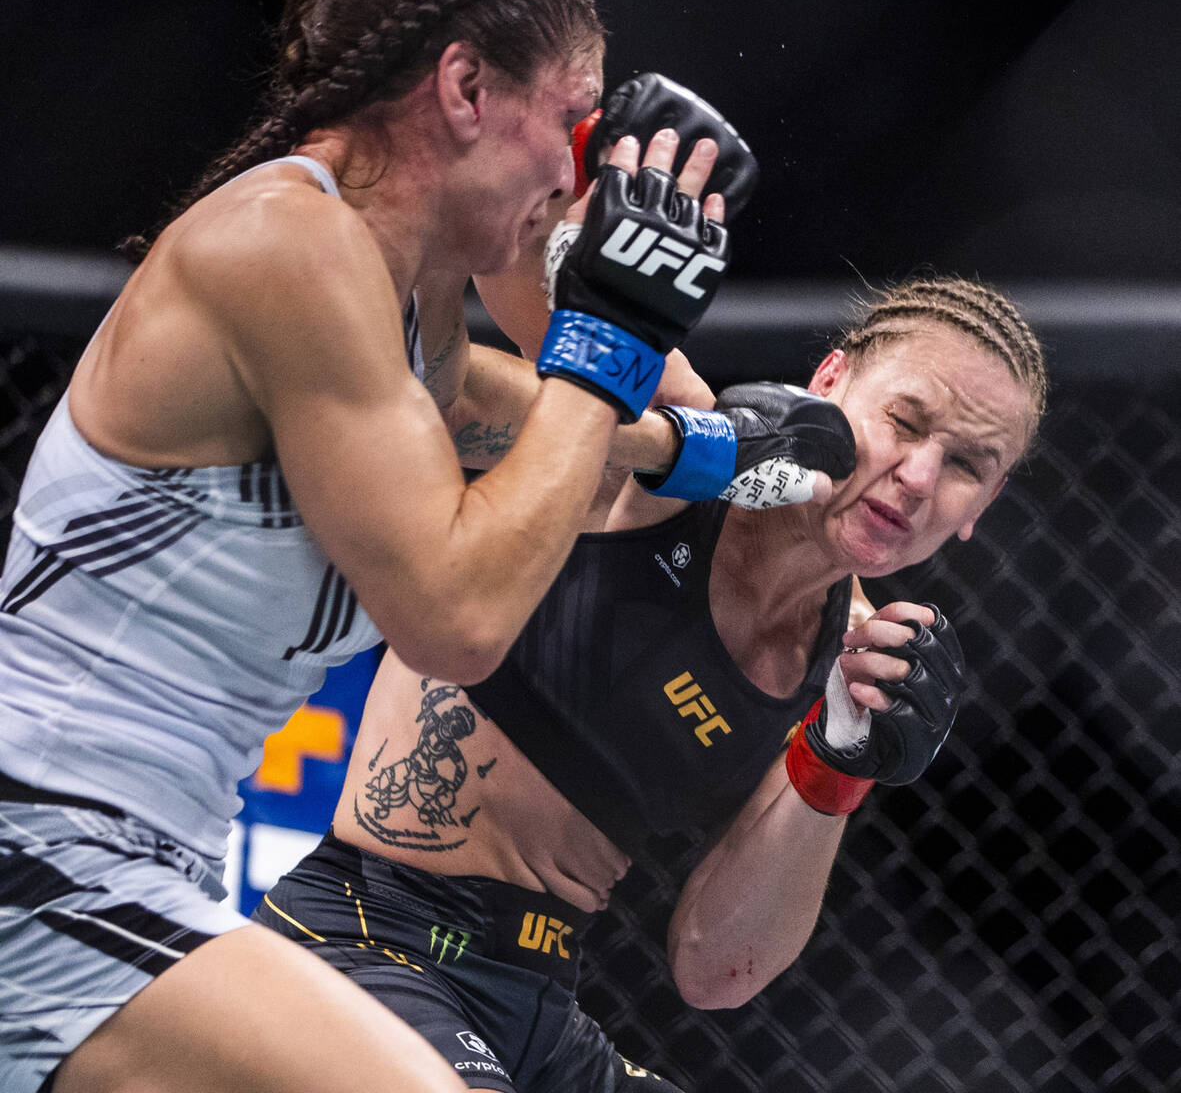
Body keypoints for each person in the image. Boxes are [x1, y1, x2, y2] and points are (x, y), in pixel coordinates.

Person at [0, 0, 759, 1093]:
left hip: (144, 860)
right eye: (568, 125)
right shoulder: (282, 247)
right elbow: (456, 618)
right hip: (42, 840)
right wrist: (614, 334)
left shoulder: (411, 318)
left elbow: (518, 411)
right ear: (463, 89)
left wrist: (694, 443)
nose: (576, 174)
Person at [254, 272, 1048, 1092]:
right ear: (829, 383)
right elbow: (445, 385)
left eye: (964, 465)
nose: (917, 476)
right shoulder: (677, 442)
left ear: (978, 508)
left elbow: (718, 969)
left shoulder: (854, 667)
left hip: (539, 1004)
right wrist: (671, 444)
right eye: (903, 422)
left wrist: (838, 765)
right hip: (368, 938)